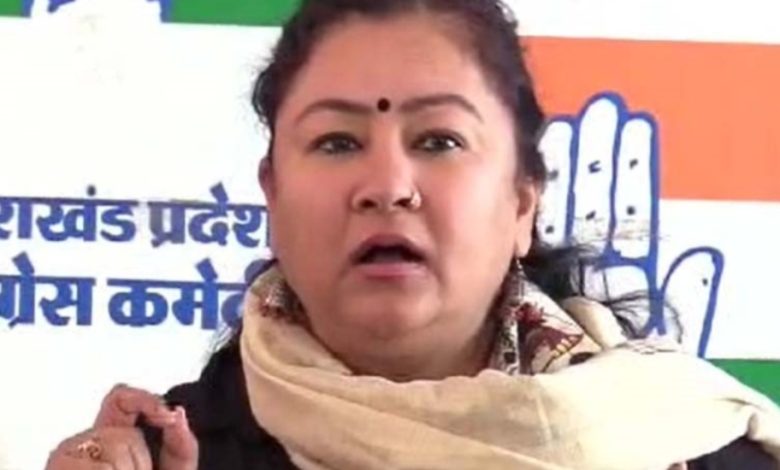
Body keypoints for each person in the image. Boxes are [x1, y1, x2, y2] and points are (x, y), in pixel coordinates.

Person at [46, 0, 780, 469]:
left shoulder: (686, 445)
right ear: (273, 196)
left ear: (522, 202)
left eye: (439, 141)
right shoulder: (169, 455)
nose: (388, 185)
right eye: (337, 142)